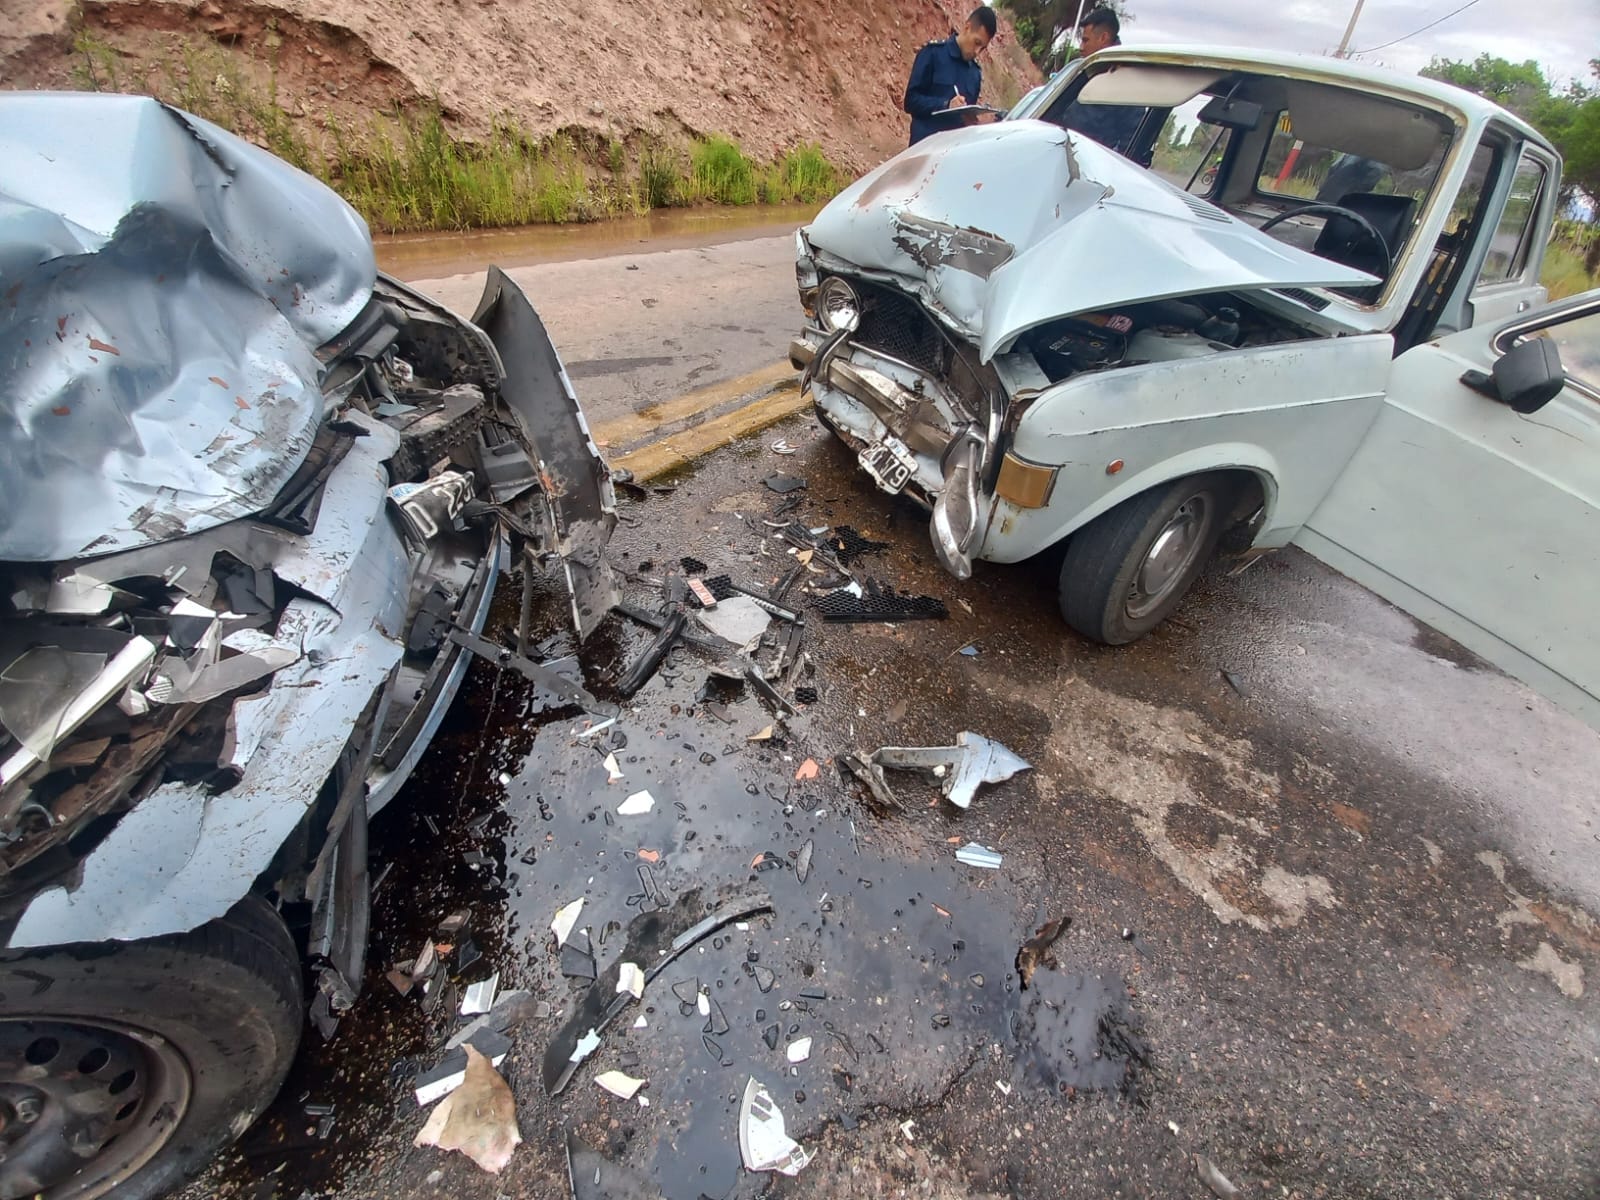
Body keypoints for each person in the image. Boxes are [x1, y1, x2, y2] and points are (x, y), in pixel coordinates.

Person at [902, 7, 997, 146]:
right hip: (922, 150)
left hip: (951, 154)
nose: (977, 52)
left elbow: (966, 120)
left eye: (982, 47)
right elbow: (910, 102)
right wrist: (945, 105)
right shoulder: (933, 54)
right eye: (977, 43)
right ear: (967, 27)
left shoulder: (975, 74)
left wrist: (971, 122)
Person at [1060, 7, 1145, 160]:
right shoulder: (1087, 71)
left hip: (1092, 166)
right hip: (1066, 154)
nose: (1081, 47)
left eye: (1086, 40)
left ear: (1103, 38)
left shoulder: (1126, 81)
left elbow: (1132, 140)